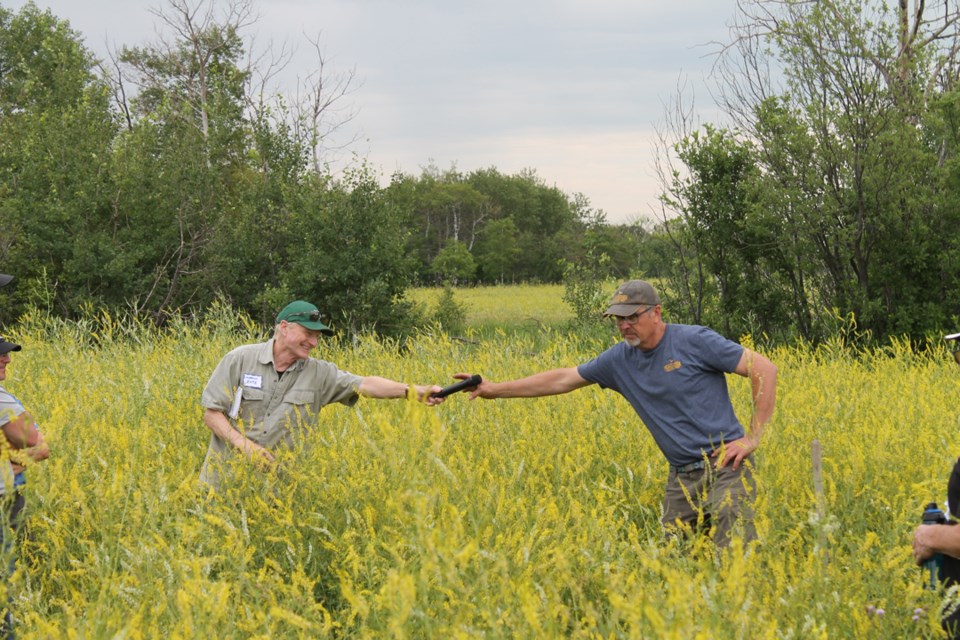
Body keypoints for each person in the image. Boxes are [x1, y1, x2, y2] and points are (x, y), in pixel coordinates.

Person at [457, 279, 777, 547]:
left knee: (735, 555)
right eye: (618, 319)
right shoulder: (619, 360)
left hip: (727, 466)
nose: (624, 325)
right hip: (681, 476)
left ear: (656, 313)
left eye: (632, 317)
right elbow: (563, 379)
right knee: (676, 564)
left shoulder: (694, 340)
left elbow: (763, 367)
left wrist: (752, 437)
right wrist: (493, 389)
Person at [199, 300, 447, 489]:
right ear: (284, 328)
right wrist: (246, 447)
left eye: (317, 337)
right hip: (224, 483)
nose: (314, 343)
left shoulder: (320, 374)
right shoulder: (240, 359)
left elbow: (365, 384)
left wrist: (412, 391)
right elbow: (212, 414)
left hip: (277, 491)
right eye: (308, 334)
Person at [0, 335, 50, 639]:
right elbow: (40, 448)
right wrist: (13, 459)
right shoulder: (2, 400)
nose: (7, 359)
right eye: (1, 355)